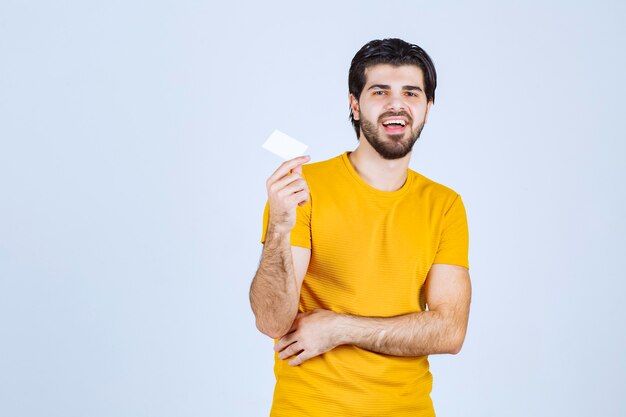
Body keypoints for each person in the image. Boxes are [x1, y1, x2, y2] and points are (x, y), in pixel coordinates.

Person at [249, 38, 471, 417]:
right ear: (355, 104)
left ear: (427, 108)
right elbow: (272, 321)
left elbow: (450, 331)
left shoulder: (444, 204)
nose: (396, 103)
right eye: (380, 91)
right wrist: (280, 230)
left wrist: (340, 328)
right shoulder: (303, 190)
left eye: (411, 93)